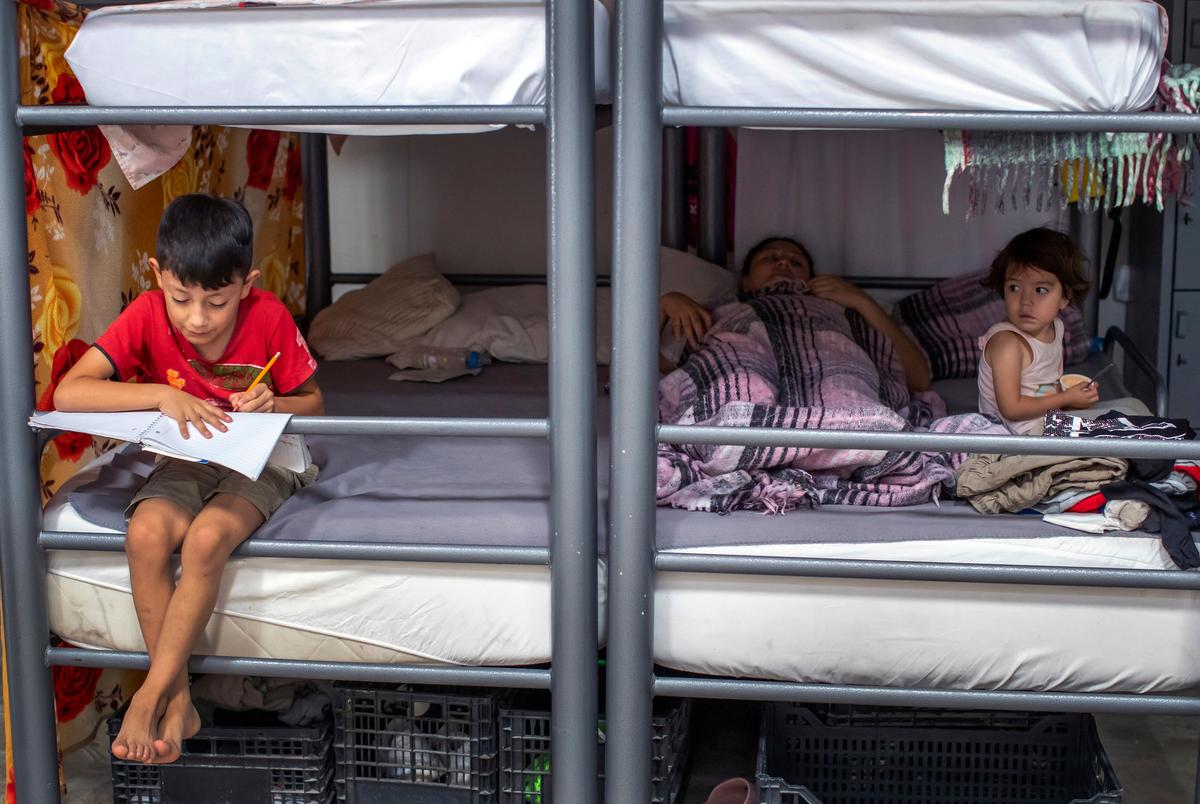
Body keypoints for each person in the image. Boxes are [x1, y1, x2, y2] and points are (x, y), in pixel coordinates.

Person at [54, 194, 325, 764]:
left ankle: (152, 692)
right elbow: (69, 392)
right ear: (158, 276)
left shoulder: (270, 316)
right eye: (182, 298)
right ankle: (181, 700)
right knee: (147, 534)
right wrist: (159, 392)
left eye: (217, 302)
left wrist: (273, 403)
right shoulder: (149, 312)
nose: (197, 318)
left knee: (205, 539)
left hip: (263, 454)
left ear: (246, 285)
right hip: (187, 454)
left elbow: (316, 404)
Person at [658, 236, 932, 391]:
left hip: (836, 380)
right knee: (742, 382)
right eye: (769, 257)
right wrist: (664, 304)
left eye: (796, 261)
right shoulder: (716, 310)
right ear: (745, 280)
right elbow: (661, 372)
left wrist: (862, 301)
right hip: (743, 375)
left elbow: (919, 380)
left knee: (843, 386)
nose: (783, 261)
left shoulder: (844, 311)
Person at [976, 227, 1098, 434]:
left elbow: (1049, 387)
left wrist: (1075, 397)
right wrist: (1066, 398)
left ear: (1065, 297)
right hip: (1010, 438)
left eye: (1040, 290)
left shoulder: (1056, 327)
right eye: (1014, 288)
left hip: (1046, 425)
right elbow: (1011, 409)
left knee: (1129, 412)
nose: (1025, 302)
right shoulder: (1007, 343)